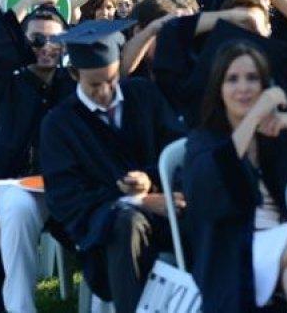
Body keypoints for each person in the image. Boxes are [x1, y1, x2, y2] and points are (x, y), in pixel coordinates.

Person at [40, 19, 185, 313]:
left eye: (112, 80)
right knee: (126, 225)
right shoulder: (60, 123)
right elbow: (65, 196)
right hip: (104, 222)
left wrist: (151, 179)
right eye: (94, 85)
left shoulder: (142, 95)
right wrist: (135, 199)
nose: (106, 92)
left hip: (165, 207)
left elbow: (178, 151)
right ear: (73, 73)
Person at [183, 42, 287, 312]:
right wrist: (253, 117)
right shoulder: (203, 141)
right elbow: (210, 184)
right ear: (219, 88)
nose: (244, 88)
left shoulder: (275, 134)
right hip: (232, 249)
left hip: (281, 240)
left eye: (252, 78)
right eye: (232, 79)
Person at [0, 0, 74, 313]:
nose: (46, 49)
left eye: (55, 41)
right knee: (16, 210)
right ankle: (19, 307)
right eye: (37, 41)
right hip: (15, 185)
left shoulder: (74, 86)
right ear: (21, 43)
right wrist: (24, 5)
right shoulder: (5, 86)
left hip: (67, 187)